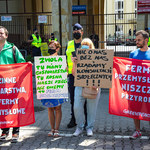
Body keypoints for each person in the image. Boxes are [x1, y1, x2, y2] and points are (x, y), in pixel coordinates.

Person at [0, 26, 26, 143]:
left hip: (12, 84)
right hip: (1, 85)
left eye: (1, 33)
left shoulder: (12, 48)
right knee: (3, 108)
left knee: (14, 108)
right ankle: (4, 131)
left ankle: (15, 132)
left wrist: (27, 65)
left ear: (6, 35)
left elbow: (21, 63)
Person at [72, 38, 101, 136]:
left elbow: (102, 72)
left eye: (87, 44)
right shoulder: (77, 57)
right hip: (80, 86)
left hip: (92, 87)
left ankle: (89, 128)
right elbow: (74, 74)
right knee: (76, 107)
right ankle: (79, 127)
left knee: (91, 109)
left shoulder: (97, 57)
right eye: (83, 44)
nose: (85, 46)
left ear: (91, 47)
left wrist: (97, 83)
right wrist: (74, 63)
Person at [41, 40, 67, 137]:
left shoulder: (61, 59)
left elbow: (66, 72)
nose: (50, 49)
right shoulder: (44, 60)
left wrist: (64, 72)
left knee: (58, 108)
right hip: (48, 87)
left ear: (57, 49)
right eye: (50, 47)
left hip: (58, 87)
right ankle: (51, 129)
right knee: (50, 108)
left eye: (52, 47)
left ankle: (57, 129)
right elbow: (41, 74)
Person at [129, 30, 150, 139]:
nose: (136, 42)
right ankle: (137, 131)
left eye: (139, 40)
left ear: (146, 40)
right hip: (135, 88)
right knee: (135, 110)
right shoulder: (133, 53)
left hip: (148, 89)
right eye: (136, 40)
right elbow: (127, 68)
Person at [66, 23, 87, 128]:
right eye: (74, 31)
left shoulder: (86, 44)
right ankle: (73, 119)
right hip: (72, 76)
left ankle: (86, 120)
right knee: (73, 99)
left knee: (86, 99)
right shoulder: (69, 44)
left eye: (78, 31)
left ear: (82, 32)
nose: (76, 32)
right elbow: (66, 59)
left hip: (84, 76)